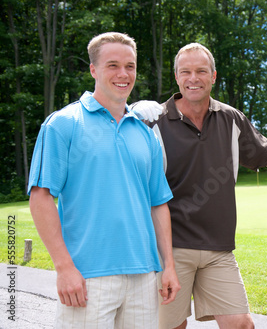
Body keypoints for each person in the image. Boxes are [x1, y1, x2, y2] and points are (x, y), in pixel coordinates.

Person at [132, 42, 267, 329]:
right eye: (186, 72)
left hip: (218, 249)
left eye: (201, 71)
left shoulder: (231, 119)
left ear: (214, 76)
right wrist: (125, 115)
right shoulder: (153, 121)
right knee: (171, 327)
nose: (193, 78)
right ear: (177, 77)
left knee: (241, 324)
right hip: (169, 249)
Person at [28, 32, 180, 328]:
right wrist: (64, 268)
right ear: (93, 70)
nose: (123, 74)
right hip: (87, 276)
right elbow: (41, 196)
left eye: (130, 66)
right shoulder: (63, 124)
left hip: (144, 276)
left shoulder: (145, 134)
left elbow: (158, 204)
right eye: (113, 65)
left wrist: (168, 267)